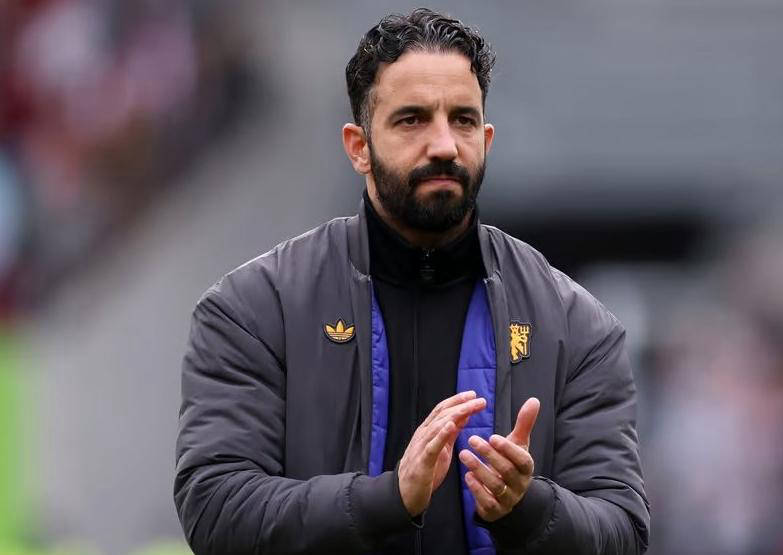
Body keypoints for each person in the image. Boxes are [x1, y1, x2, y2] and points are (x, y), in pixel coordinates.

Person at [174, 8, 649, 554]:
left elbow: (622, 531)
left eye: (463, 120)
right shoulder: (255, 310)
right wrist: (387, 500)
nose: (444, 144)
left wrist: (528, 509)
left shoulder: (575, 325)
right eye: (412, 120)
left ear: (486, 139)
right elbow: (215, 509)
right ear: (358, 147)